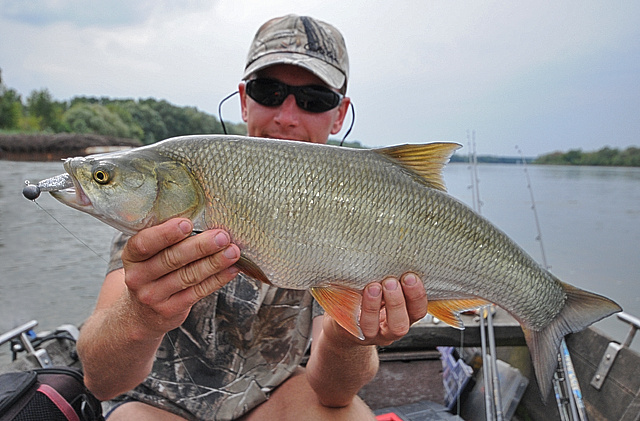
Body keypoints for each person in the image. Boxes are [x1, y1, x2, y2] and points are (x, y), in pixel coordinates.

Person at [77, 14, 428, 421]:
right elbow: (101, 382)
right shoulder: (167, 193)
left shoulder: (358, 211)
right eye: (269, 91)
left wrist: (351, 338)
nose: (287, 116)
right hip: (155, 406)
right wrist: (139, 313)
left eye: (315, 99)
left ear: (339, 113)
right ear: (244, 100)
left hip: (274, 397)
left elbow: (333, 394)